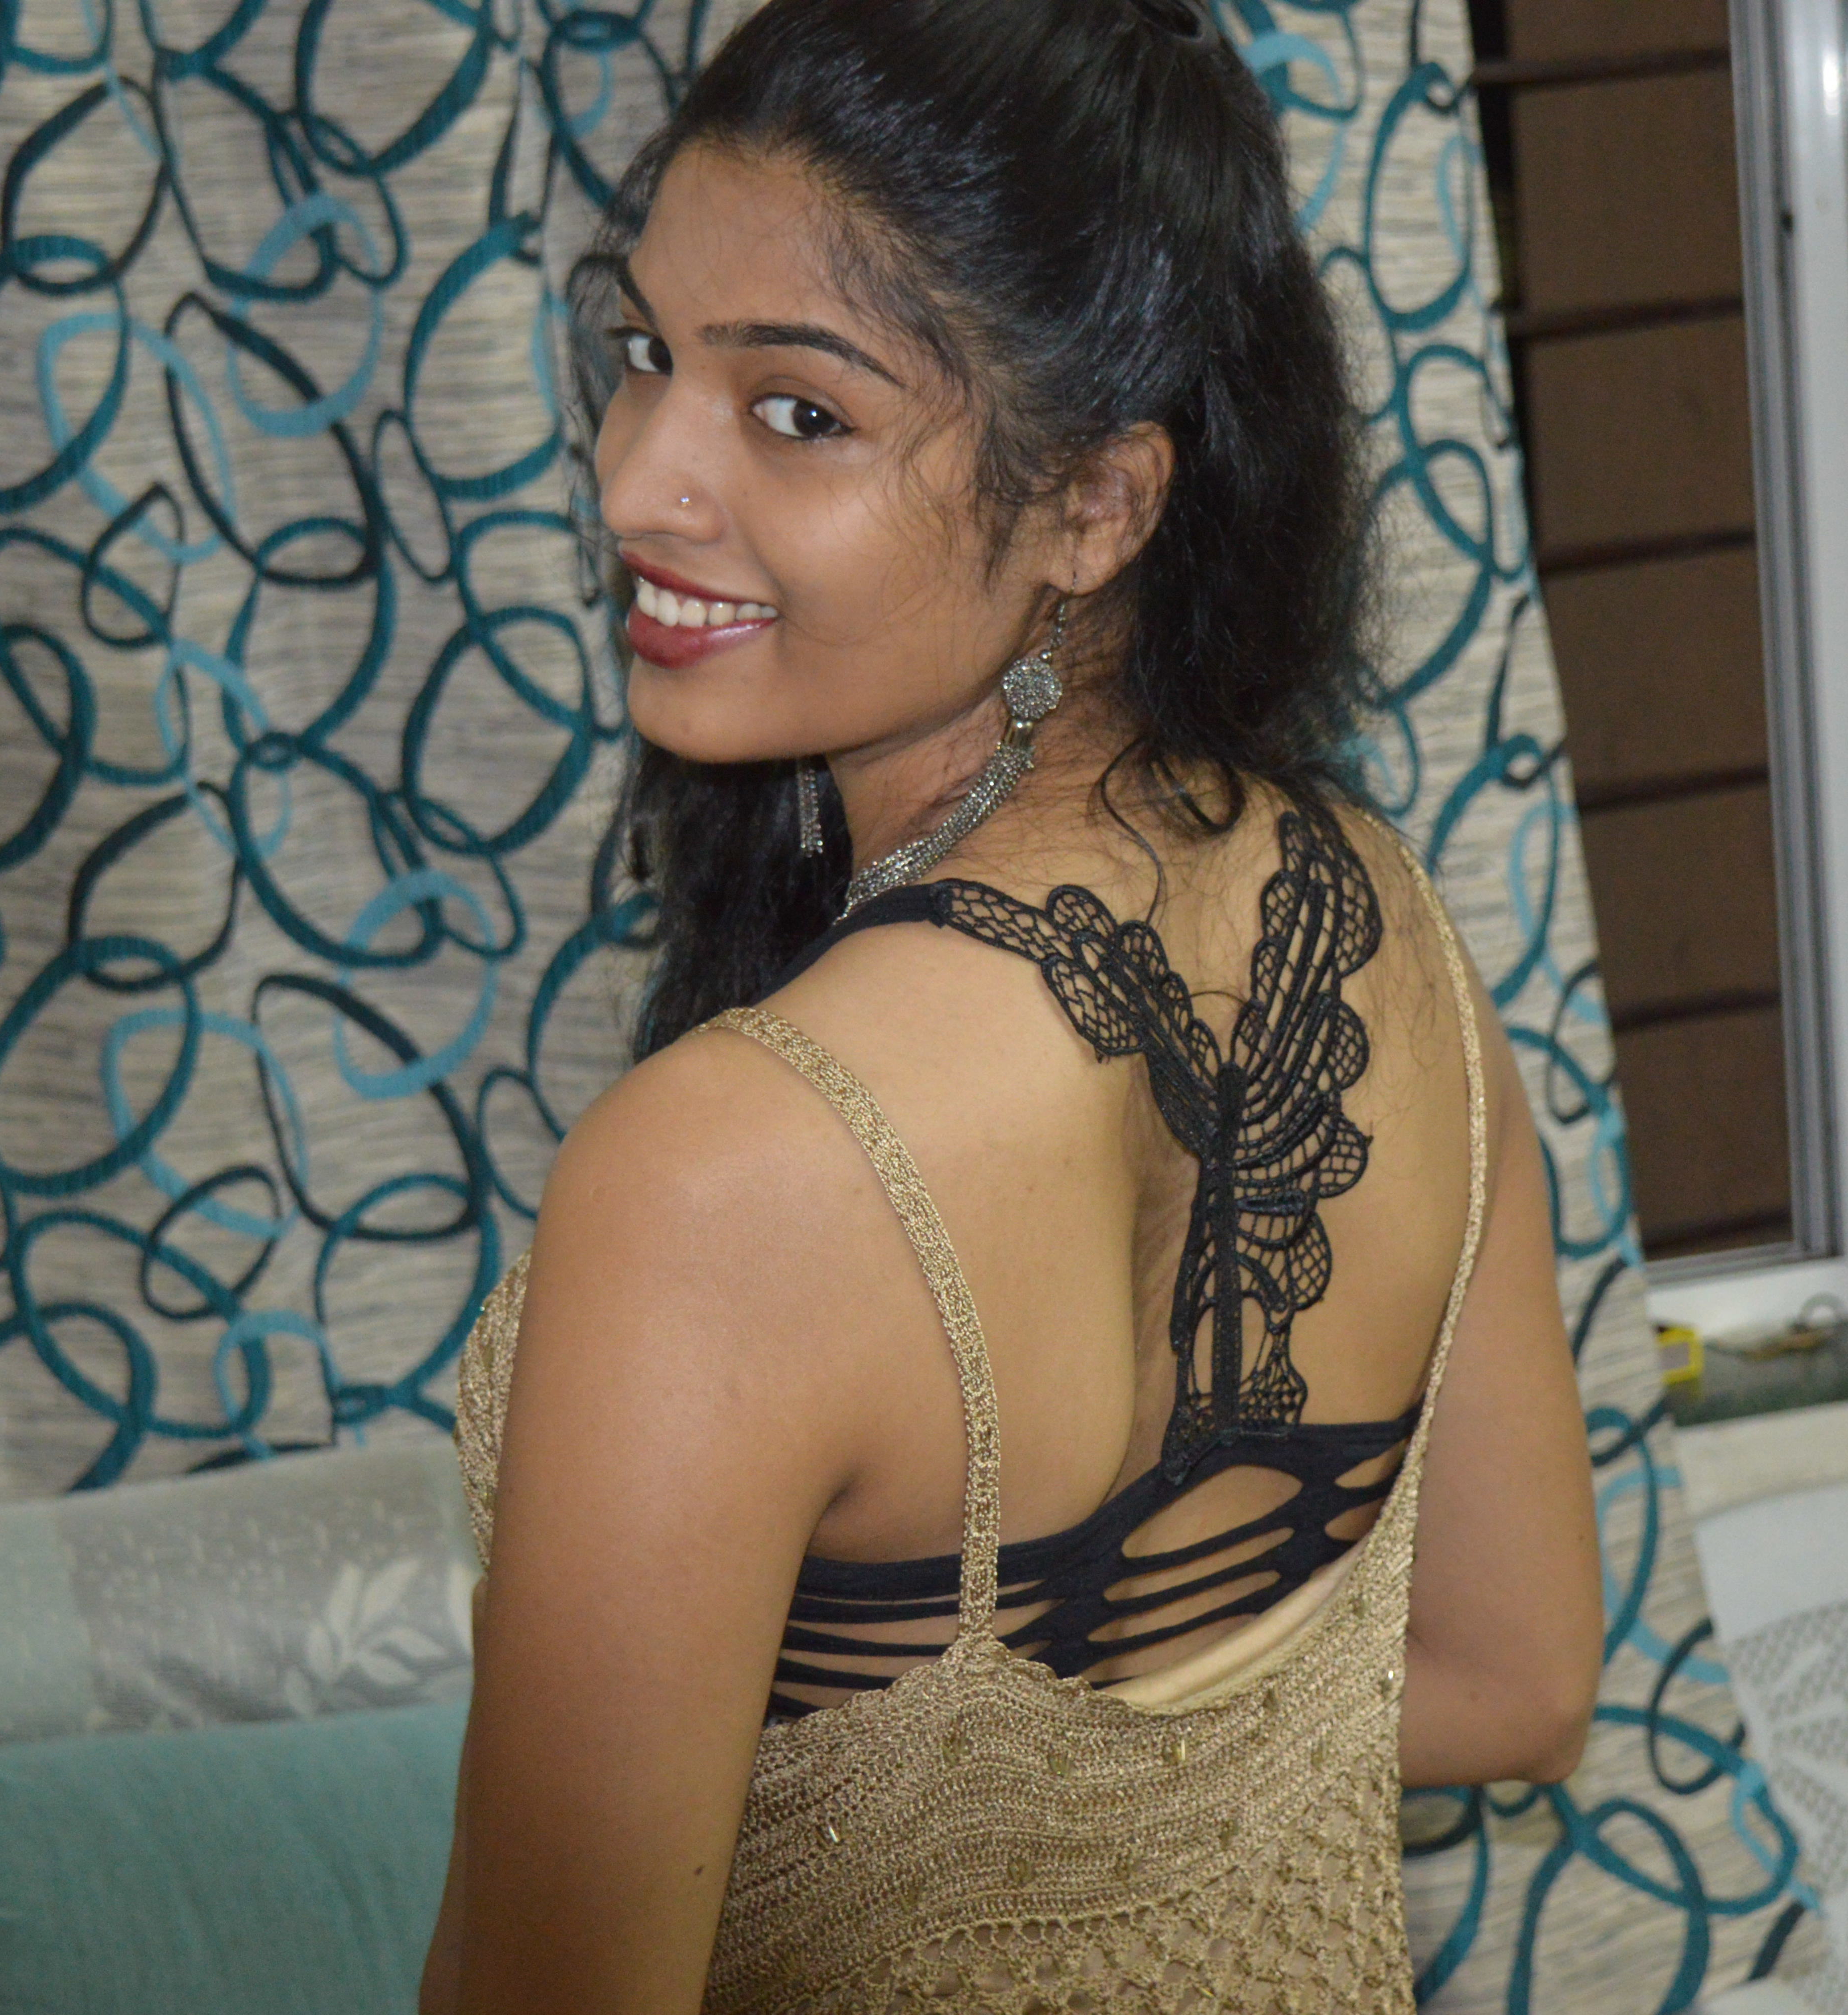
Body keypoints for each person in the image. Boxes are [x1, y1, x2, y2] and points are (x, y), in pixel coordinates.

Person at [425, 0, 1601, 2005]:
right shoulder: (1379, 921)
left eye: (797, 412)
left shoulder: (725, 1176)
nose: (637, 480)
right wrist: (1041, 1840)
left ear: (1096, 507)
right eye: (643, 355)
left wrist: (831, 1854)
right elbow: (1512, 1676)